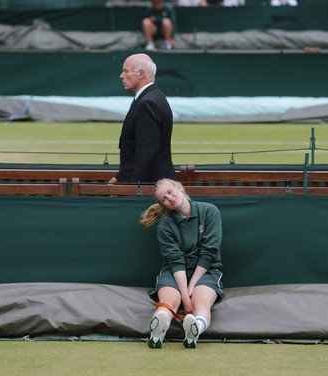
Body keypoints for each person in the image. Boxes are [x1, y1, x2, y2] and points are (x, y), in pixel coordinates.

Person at [139, 178, 224, 349]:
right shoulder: (165, 226)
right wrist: (185, 296)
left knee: (201, 303)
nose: (169, 198)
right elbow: (175, 259)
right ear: (164, 205)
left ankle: (195, 330)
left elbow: (209, 251)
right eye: (163, 199)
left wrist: (192, 286)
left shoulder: (209, 211)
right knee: (169, 302)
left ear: (179, 187)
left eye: (170, 192)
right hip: (174, 272)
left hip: (207, 271)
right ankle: (158, 330)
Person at [108, 53, 175, 185]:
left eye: (126, 71)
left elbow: (147, 153)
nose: (121, 76)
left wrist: (133, 189)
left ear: (141, 74)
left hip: (149, 187)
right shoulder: (152, 97)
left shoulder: (147, 103)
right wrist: (120, 177)